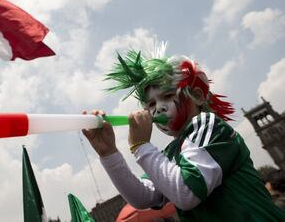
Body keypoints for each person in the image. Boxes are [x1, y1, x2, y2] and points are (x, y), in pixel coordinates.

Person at [82, 48, 285, 221]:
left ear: (196, 96)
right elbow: (143, 198)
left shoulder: (208, 126)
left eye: (168, 96)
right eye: (151, 104)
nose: (158, 109)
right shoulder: (171, 152)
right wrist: (109, 154)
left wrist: (142, 146)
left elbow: (187, 192)